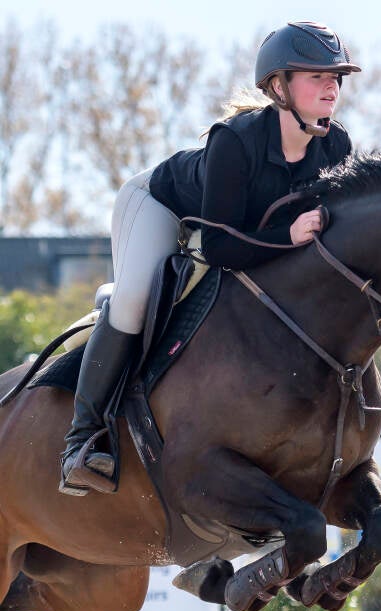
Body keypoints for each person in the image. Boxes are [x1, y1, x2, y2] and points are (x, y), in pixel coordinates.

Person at [59, 21, 361, 496]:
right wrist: (289, 235)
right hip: (160, 205)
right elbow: (217, 247)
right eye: (317, 76)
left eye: (336, 77)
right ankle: (83, 438)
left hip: (235, 234)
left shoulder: (337, 146)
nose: (331, 86)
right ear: (278, 87)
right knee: (135, 298)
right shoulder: (235, 141)